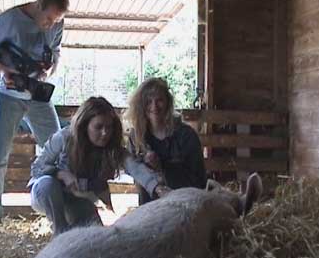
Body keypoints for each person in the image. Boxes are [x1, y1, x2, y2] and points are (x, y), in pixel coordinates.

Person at [0, 0, 69, 222]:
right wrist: (4, 70)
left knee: (59, 151)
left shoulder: (57, 24)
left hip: (38, 96)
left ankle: (63, 213)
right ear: (38, 5)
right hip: (9, 95)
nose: (50, 24)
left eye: (56, 20)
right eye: (48, 19)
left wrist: (47, 72)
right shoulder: (10, 20)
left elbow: (55, 53)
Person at [29, 97, 170, 236]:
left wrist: (158, 187)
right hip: (47, 195)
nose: (105, 133)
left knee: (96, 237)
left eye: (109, 127)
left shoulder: (113, 149)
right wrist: (61, 174)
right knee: (47, 184)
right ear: (85, 125)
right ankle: (59, 231)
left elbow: (135, 167)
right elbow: (37, 168)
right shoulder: (64, 138)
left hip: (77, 200)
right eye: (98, 127)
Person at [125, 77, 207, 205]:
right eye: (148, 101)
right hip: (148, 207)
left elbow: (199, 181)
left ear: (168, 102)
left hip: (184, 205)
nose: (154, 106)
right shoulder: (136, 137)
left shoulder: (186, 136)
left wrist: (163, 168)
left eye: (159, 100)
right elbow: (133, 169)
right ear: (141, 105)